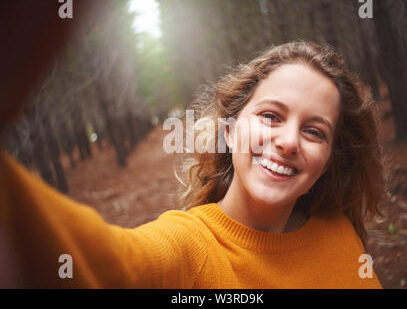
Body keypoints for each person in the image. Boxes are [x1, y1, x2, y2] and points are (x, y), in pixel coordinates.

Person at [0, 40, 385, 288]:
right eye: (270, 116)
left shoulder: (341, 234)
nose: (287, 142)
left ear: (329, 160)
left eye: (314, 132)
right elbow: (102, 263)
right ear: (230, 132)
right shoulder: (187, 248)